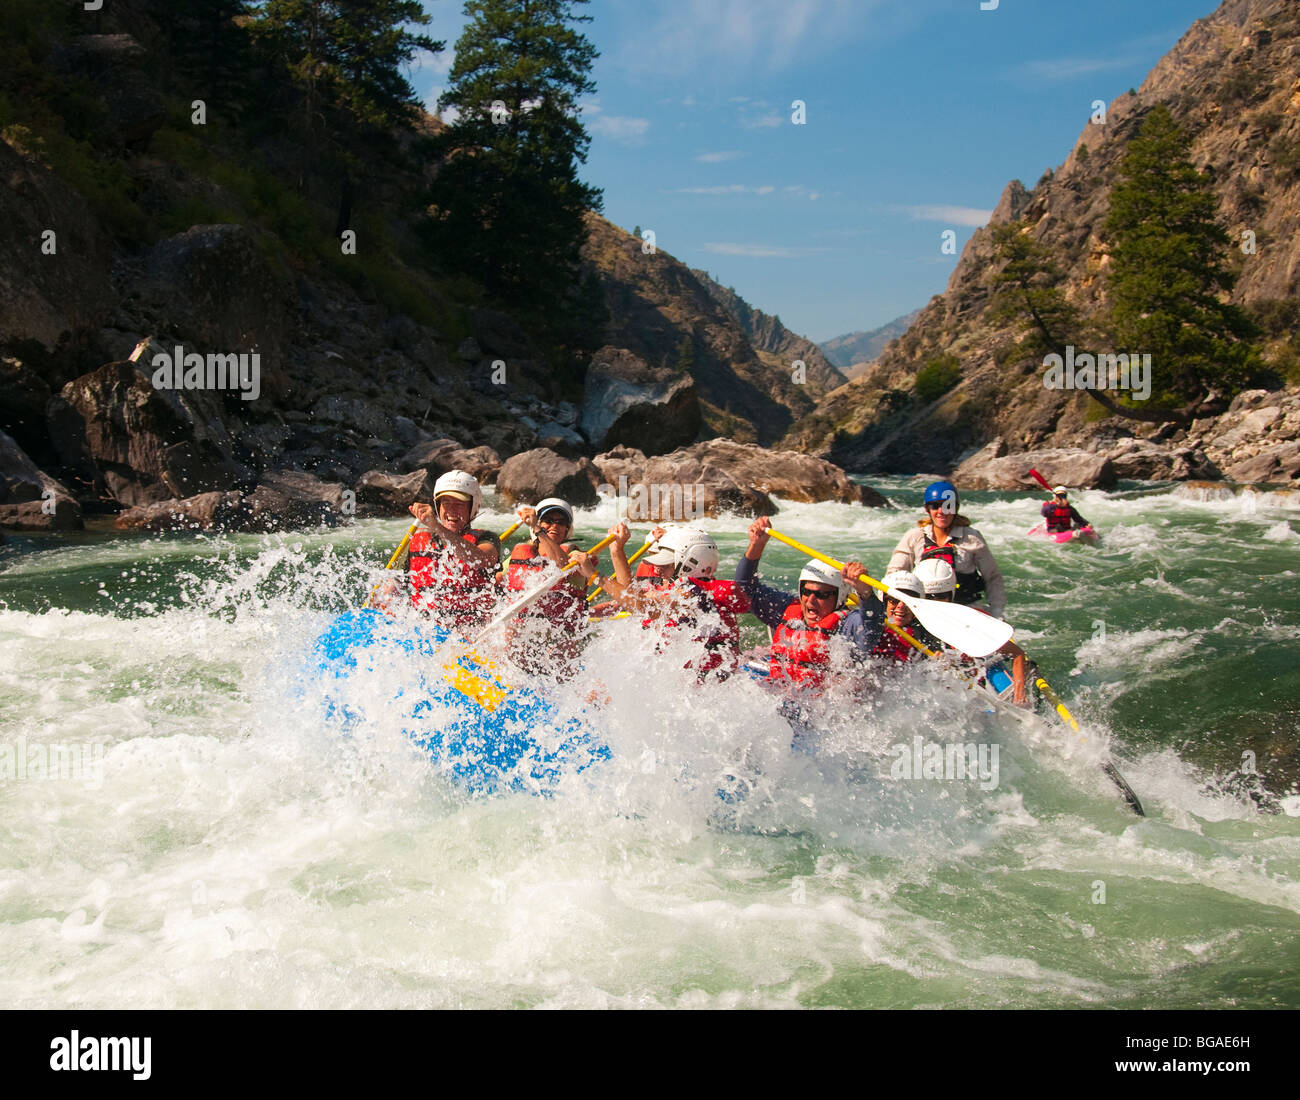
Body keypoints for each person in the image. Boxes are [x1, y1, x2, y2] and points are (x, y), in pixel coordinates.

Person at [736, 516, 884, 691]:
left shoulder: (846, 624)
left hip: (820, 706)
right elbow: (745, 590)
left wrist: (865, 591)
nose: (811, 600)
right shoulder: (788, 609)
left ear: (840, 597)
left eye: (822, 594)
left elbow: (871, 628)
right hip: (781, 692)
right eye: (806, 592)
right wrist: (756, 545)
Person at [603, 524, 751, 678]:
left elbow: (636, 604)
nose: (657, 570)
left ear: (691, 564)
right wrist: (616, 550)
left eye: (666, 565)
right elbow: (632, 597)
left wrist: (595, 575)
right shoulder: (680, 591)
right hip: (688, 680)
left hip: (707, 687)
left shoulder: (694, 595)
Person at [910, 557, 1029, 705]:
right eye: (928, 597)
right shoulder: (908, 622)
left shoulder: (971, 620)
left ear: (951, 594)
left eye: (941, 596)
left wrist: (1020, 695)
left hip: (974, 683)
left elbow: (1017, 654)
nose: (935, 601)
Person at [888, 480, 1007, 619]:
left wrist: (997, 612)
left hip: (965, 609)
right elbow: (893, 575)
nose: (941, 511)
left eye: (947, 506)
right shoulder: (914, 537)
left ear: (955, 508)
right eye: (935, 506)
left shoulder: (972, 538)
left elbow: (992, 577)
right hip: (924, 609)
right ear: (927, 509)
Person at [404, 469, 501, 631]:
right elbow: (394, 585)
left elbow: (479, 559)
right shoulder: (419, 542)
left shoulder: (488, 539)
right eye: (446, 503)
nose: (451, 511)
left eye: (459, 504)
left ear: (473, 507)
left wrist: (436, 526)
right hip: (423, 632)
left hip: (472, 632)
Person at [869, 570, 939, 663]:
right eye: (894, 600)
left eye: (908, 601)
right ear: (885, 603)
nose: (901, 606)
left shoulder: (926, 634)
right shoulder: (870, 626)